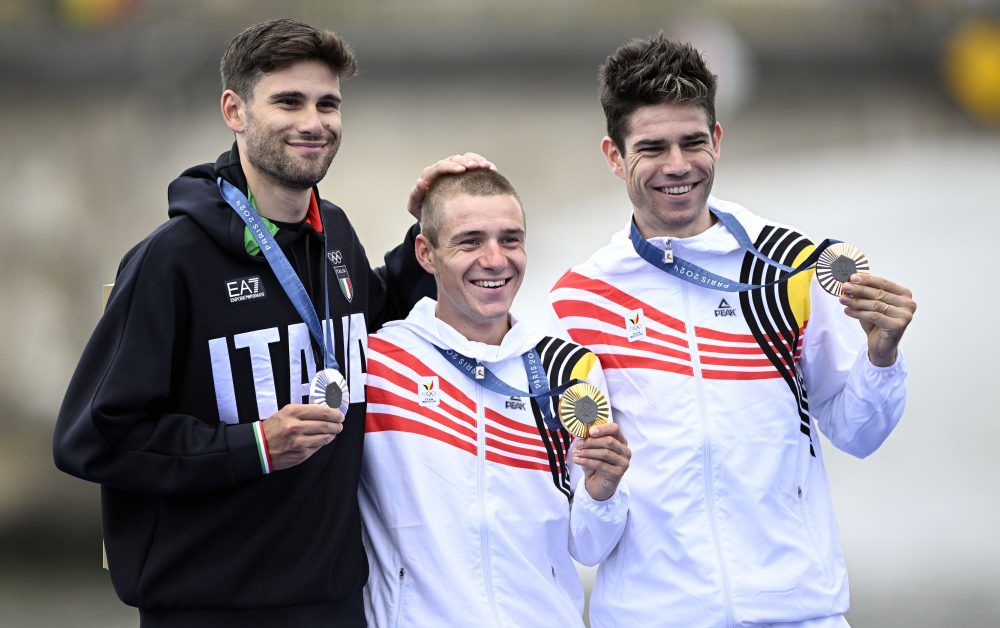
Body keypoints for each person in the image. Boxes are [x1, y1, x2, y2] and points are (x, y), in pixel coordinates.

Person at [50, 19, 487, 628]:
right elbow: (93, 437)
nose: (314, 122)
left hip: (335, 601)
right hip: (210, 608)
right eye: (288, 101)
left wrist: (428, 236)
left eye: (327, 103)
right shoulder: (171, 259)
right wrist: (252, 446)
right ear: (235, 110)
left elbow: (362, 321)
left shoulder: (331, 230)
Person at [547, 34, 917, 627]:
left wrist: (881, 357)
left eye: (693, 142)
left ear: (717, 141)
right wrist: (597, 490)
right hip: (654, 615)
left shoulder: (789, 265)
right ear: (614, 156)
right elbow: (584, 533)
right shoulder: (578, 299)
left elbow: (858, 432)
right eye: (652, 147)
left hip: (797, 610)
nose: (677, 166)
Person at [360, 168, 632, 626]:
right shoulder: (377, 363)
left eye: (511, 240)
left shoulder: (568, 369)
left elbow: (590, 547)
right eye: (470, 241)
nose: (495, 259)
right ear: (425, 253)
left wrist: (601, 493)